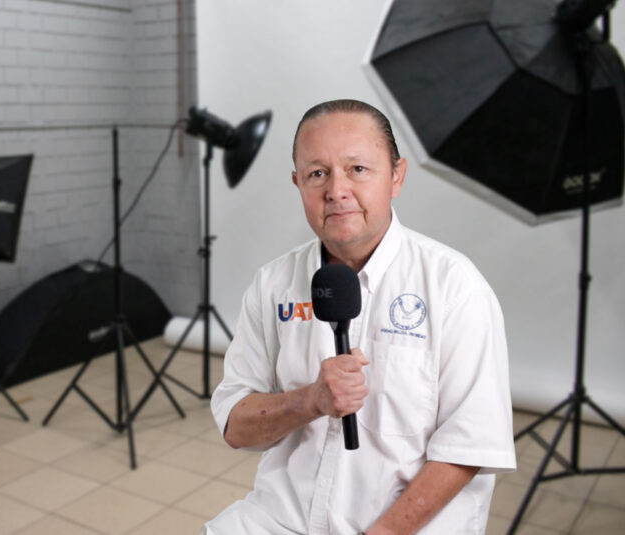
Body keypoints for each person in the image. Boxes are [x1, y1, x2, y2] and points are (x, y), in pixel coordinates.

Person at [205, 99, 516, 535]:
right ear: (297, 183)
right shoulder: (273, 284)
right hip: (280, 520)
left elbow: (469, 446)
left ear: (397, 176)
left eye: (358, 169)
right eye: (317, 174)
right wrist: (308, 400)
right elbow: (236, 427)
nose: (336, 190)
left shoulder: (454, 286)